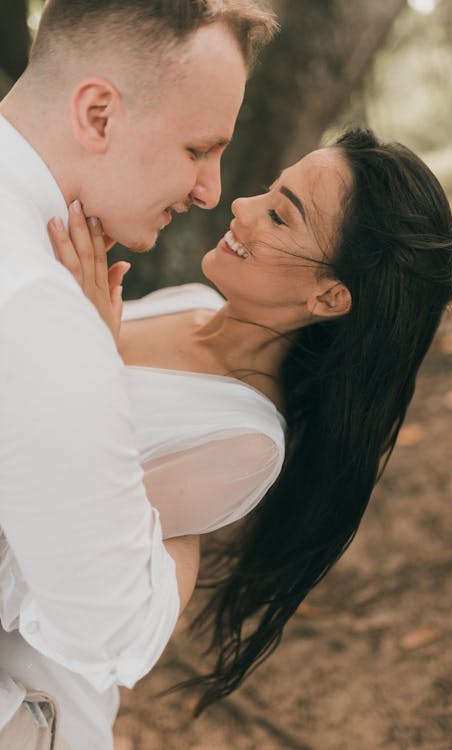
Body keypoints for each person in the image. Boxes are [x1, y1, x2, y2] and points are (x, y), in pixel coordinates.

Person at [50, 127, 452, 715]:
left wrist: (85, 349)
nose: (240, 207)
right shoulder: (193, 300)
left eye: (280, 218)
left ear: (329, 298)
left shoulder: (245, 443)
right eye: (269, 192)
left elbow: (63, 513)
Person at [0, 1, 276, 749]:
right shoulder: (39, 307)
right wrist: (184, 534)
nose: (212, 191)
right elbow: (116, 629)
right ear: (97, 114)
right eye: (198, 148)